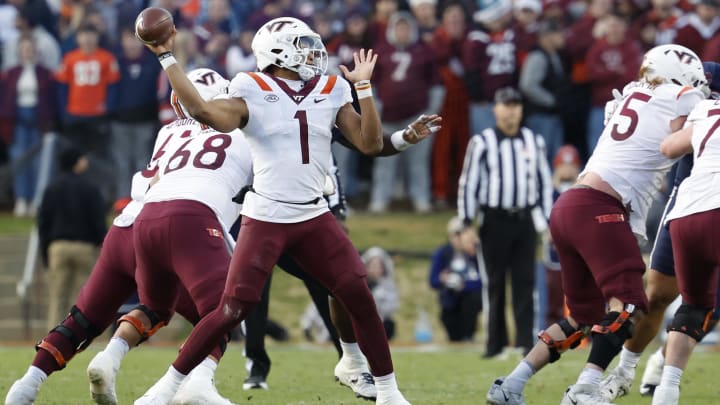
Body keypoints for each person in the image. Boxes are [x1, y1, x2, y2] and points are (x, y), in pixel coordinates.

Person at [135, 17, 439, 405]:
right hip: (265, 216)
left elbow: (369, 142)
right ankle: (166, 387)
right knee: (231, 309)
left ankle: (388, 392)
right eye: (303, 44)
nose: (315, 52)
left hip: (314, 215)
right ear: (276, 52)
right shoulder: (251, 86)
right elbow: (204, 112)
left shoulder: (330, 88)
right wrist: (165, 56)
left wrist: (363, 87)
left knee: (357, 293)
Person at [485, 44, 708, 405]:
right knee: (632, 305)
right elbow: (689, 130)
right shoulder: (682, 96)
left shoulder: (628, 95)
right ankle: (586, 388)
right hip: (601, 208)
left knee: (583, 316)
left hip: (570, 205)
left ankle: (511, 384)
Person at [4, 69, 242, 405]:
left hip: (129, 224)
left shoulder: (168, 132)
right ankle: (193, 383)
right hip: (182, 226)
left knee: (86, 319)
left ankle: (29, 384)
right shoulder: (238, 133)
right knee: (216, 313)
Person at [598, 62, 720, 402]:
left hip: (696, 210)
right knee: (658, 296)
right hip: (688, 197)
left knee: (708, 307)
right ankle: (623, 370)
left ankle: (661, 367)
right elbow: (661, 127)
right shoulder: (706, 77)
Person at [458, 86, 553, 358]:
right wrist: (466, 223)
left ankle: (525, 342)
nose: (511, 111)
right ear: (495, 109)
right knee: (495, 283)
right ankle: (494, 343)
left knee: (525, 282)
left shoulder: (534, 141)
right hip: (494, 220)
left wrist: (547, 222)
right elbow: (469, 184)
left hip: (524, 220)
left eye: (515, 105)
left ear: (521, 109)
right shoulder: (483, 142)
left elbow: (544, 183)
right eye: (506, 105)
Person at [650, 66, 720, 405]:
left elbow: (667, 148)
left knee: (693, 307)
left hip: (686, 216)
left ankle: (666, 390)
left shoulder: (705, 110)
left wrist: (677, 121)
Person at [368, 11, 444, 213]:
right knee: (385, 162)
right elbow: (370, 82)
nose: (403, 31)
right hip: (388, 117)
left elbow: (436, 84)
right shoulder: (381, 51)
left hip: (416, 116)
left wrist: (430, 112)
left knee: (418, 162)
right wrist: (375, 107)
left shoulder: (424, 51)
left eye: (406, 27)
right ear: (392, 30)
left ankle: (421, 200)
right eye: (399, 27)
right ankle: (380, 201)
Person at [37, 147, 106, 330]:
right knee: (85, 298)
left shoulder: (51, 188)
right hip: (84, 247)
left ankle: (53, 339)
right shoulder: (90, 188)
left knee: (57, 297)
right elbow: (98, 221)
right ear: (76, 162)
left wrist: (45, 252)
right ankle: (84, 334)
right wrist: (102, 245)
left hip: (57, 247)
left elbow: (43, 222)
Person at [55, 22, 120, 200]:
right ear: (78, 38)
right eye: (83, 34)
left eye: (91, 34)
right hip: (75, 115)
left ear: (97, 37)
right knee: (73, 157)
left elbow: (113, 87)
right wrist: (64, 112)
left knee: (97, 159)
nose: (87, 38)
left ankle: (98, 195)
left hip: (97, 116)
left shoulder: (107, 58)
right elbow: (62, 87)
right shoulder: (69, 58)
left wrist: (107, 109)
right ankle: (71, 195)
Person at [0, 34, 58, 217]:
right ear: (19, 51)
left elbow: (51, 100)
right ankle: (21, 199)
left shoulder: (45, 73)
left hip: (38, 120)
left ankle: (36, 199)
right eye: (24, 49)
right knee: (19, 160)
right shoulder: (10, 74)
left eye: (31, 49)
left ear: (36, 52)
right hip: (17, 121)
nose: (28, 52)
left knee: (38, 162)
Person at [109, 27, 162, 199]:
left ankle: (141, 198)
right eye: (127, 38)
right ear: (122, 41)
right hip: (121, 121)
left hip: (144, 120)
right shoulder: (117, 63)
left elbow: (157, 92)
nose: (131, 43)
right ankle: (122, 199)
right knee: (122, 163)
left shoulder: (152, 63)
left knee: (142, 162)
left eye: (135, 39)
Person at [542, 145, 582, 328]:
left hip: (578, 248)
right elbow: (542, 215)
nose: (567, 169)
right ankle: (552, 328)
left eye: (571, 165)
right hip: (555, 248)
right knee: (554, 291)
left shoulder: (582, 190)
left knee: (580, 290)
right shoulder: (548, 192)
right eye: (563, 165)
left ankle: (582, 329)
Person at [429, 216, 482, 342]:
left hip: (470, 299)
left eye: (463, 233)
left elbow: (485, 281)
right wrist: (443, 279)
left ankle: (469, 335)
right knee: (450, 322)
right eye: (456, 234)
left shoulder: (477, 254)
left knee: (471, 301)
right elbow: (433, 280)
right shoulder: (443, 253)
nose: (459, 238)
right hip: (450, 298)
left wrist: (465, 285)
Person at [362, 246, 400, 339]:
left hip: (382, 321)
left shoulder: (388, 284)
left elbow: (393, 306)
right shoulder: (361, 284)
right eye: (373, 266)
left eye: (378, 266)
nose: (375, 269)